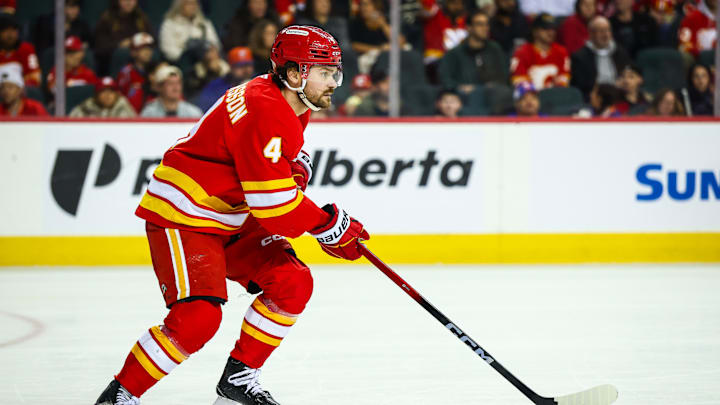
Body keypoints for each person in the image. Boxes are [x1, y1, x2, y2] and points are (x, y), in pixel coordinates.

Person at [94, 25, 370, 405]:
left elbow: (268, 172)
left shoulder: (290, 101)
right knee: (198, 320)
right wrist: (328, 225)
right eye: (325, 72)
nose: (334, 82)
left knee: (292, 282)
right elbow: (274, 207)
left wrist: (295, 174)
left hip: (232, 213)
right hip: (186, 214)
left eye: (335, 72)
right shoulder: (267, 108)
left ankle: (237, 382)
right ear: (294, 74)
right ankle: (119, 396)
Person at [438, 9, 508, 94]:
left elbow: (504, 76)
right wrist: (459, 87)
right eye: (480, 24)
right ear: (469, 28)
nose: (485, 28)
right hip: (465, 100)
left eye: (487, 24)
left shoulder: (495, 49)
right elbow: (446, 80)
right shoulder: (454, 54)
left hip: (492, 98)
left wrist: (493, 86)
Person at [570, 16, 631, 99]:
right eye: (601, 31)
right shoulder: (580, 57)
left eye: (608, 30)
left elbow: (627, 74)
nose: (605, 35)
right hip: (595, 98)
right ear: (591, 34)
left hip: (620, 95)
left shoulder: (620, 52)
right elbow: (582, 87)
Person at [510, 13, 571, 90]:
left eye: (553, 29)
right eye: (545, 29)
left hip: (555, 98)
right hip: (529, 98)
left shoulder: (562, 52)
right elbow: (519, 80)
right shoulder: (522, 52)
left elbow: (564, 78)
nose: (551, 32)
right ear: (535, 31)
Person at [94, 0, 153, 76]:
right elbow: (100, 47)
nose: (129, 2)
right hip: (112, 61)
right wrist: (119, 45)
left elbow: (152, 39)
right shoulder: (107, 19)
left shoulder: (141, 18)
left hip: (140, 58)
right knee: (122, 53)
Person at [194, 46, 255, 112]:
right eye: (240, 66)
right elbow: (204, 110)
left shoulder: (258, 83)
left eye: (249, 65)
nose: (246, 70)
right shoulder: (215, 87)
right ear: (231, 67)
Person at [117, 32, 155, 113]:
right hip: (131, 115)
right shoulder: (126, 72)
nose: (147, 52)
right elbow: (121, 97)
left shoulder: (157, 70)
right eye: (143, 49)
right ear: (133, 52)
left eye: (149, 48)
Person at [0, 14, 40, 87]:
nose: (10, 34)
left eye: (14, 30)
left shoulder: (26, 49)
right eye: (6, 30)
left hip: (20, 93)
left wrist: (18, 90)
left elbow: (35, 77)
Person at [69, 76, 136, 117]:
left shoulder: (124, 107)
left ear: (117, 95)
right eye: (103, 91)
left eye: (111, 91)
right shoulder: (85, 109)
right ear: (96, 95)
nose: (107, 95)